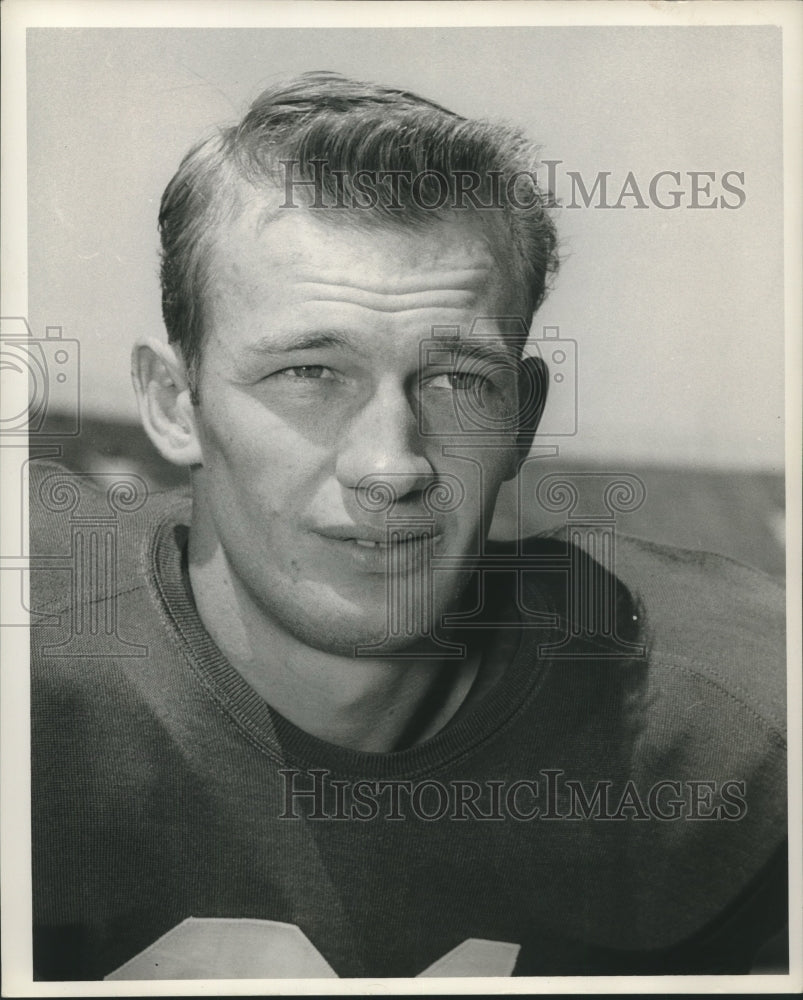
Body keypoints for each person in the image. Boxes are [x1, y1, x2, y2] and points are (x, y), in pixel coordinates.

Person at [30, 72, 786, 981]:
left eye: (457, 380)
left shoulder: (733, 727)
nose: (390, 465)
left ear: (524, 416)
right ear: (173, 404)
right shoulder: (34, 674)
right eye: (309, 373)